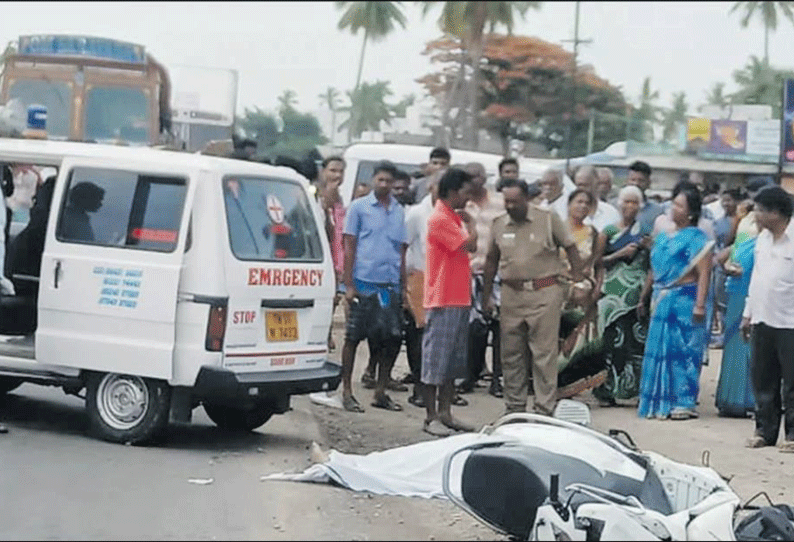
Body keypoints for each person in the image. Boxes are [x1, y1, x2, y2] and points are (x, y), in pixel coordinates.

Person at [483, 178, 584, 416]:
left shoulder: (547, 219)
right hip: (511, 294)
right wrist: (487, 296)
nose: (510, 206)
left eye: (515, 202)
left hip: (544, 292)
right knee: (511, 354)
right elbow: (490, 260)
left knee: (543, 355)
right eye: (506, 201)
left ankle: (543, 409)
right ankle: (514, 408)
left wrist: (578, 281)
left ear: (526, 198)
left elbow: (570, 247)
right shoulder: (499, 224)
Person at [637, 184, 713, 420]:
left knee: (684, 351)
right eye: (673, 203)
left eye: (679, 205)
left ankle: (684, 401)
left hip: (684, 301)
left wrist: (700, 305)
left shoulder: (698, 239)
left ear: (691, 212)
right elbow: (653, 269)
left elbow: (704, 274)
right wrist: (644, 296)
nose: (674, 208)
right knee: (660, 350)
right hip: (660, 299)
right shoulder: (663, 236)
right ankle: (658, 398)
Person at [340, 161, 407, 413]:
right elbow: (349, 245)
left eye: (389, 181)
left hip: (388, 287)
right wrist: (348, 284)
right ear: (373, 180)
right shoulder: (359, 208)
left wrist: (402, 287)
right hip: (364, 283)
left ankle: (380, 391)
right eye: (381, 180)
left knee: (389, 337)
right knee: (354, 336)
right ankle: (346, 391)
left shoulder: (399, 210)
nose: (385, 184)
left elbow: (401, 250)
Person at [421, 168, 477, 437]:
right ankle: (431, 416)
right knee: (436, 360)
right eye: (466, 191)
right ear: (454, 191)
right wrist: (474, 225)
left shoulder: (452, 217)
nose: (469, 197)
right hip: (443, 297)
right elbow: (470, 246)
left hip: (458, 296)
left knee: (453, 361)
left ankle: (445, 412)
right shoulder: (440, 218)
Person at [742, 186, 794, 451]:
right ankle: (765, 431)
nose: (755, 215)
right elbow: (757, 278)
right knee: (763, 379)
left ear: (776, 213)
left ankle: (793, 436)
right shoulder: (762, 240)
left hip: (790, 323)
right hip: (762, 319)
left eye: (760, 210)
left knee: (792, 382)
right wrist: (747, 314)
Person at [591, 185, 650, 405]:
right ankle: (604, 391)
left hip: (636, 293)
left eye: (634, 202)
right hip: (611, 293)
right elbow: (597, 262)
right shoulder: (608, 231)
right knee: (608, 341)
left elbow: (652, 265)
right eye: (626, 201)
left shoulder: (645, 231)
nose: (630, 206)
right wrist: (619, 253)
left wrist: (650, 247)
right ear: (619, 204)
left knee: (634, 343)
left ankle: (630, 390)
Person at [458, 162, 505, 398]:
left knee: (498, 327)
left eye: (478, 176)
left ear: (485, 177)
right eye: (469, 177)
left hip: (496, 272)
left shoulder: (501, 201)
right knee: (473, 329)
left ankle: (498, 379)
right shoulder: (461, 204)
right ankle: (470, 375)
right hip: (467, 272)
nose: (474, 180)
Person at [555, 189, 604, 399]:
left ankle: (571, 385)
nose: (582, 206)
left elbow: (598, 263)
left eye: (587, 203)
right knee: (555, 338)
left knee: (579, 340)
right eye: (578, 202)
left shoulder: (594, 233)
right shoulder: (556, 228)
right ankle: (550, 385)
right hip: (557, 288)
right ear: (569, 204)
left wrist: (596, 287)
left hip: (583, 291)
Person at [402, 170, 443, 408]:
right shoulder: (417, 213)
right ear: (430, 187)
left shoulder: (453, 214)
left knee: (441, 338)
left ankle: (441, 389)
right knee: (419, 336)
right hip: (419, 278)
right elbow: (404, 248)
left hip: (444, 280)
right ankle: (419, 386)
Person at [714, 199, 758, 418]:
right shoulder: (751, 222)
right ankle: (737, 399)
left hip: (749, 291)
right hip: (741, 290)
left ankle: (738, 399)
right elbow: (726, 254)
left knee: (744, 345)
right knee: (739, 344)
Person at [319, 156, 346, 352]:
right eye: (333, 170)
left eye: (340, 171)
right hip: (323, 254)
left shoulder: (340, 198)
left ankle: (326, 332)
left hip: (337, 254)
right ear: (323, 171)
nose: (337, 175)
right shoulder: (320, 194)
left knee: (334, 299)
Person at [710, 188, 742, 348]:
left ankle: (728, 335)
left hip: (733, 265)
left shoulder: (741, 221)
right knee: (719, 301)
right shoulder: (718, 221)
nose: (726, 203)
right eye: (724, 200)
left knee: (729, 302)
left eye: (729, 200)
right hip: (718, 266)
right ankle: (722, 334)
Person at [574, 166, 620, 232]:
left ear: (596, 184)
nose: (582, 189)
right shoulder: (568, 212)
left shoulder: (611, 213)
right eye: (579, 185)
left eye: (586, 185)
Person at [626, 161, 664, 237]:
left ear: (648, 183)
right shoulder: (616, 205)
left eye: (641, 180)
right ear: (627, 181)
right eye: (633, 180)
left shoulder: (656, 211)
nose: (636, 184)